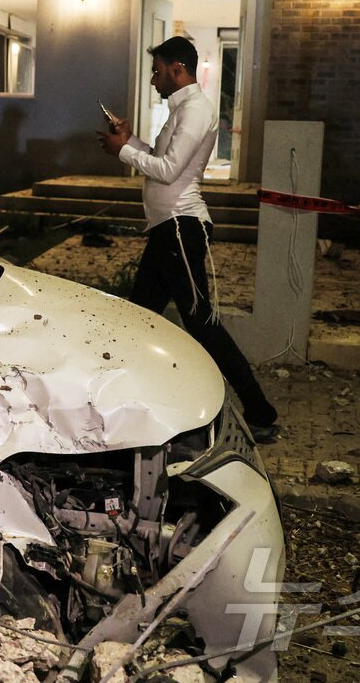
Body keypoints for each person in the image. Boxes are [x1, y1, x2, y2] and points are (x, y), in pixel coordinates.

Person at [97, 36, 280, 441]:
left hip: (181, 227)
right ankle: (119, 402)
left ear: (178, 69)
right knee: (138, 318)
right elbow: (162, 161)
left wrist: (123, 152)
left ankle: (261, 412)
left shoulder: (195, 110)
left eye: (158, 71)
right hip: (168, 229)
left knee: (200, 321)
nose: (153, 79)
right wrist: (128, 141)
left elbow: (167, 171)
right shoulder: (181, 110)